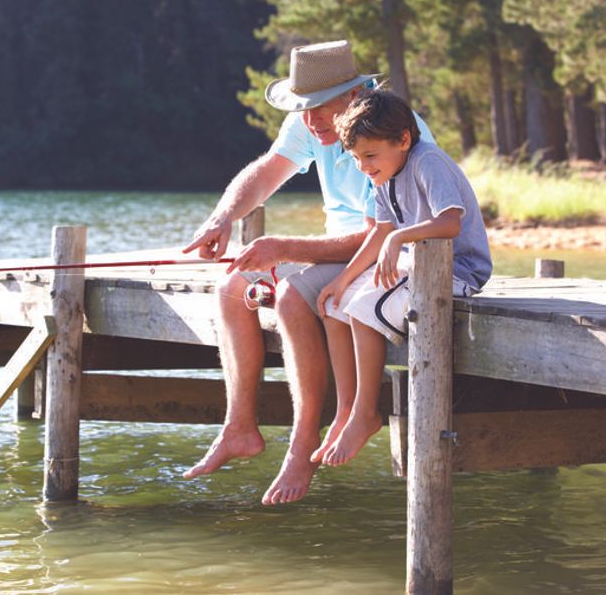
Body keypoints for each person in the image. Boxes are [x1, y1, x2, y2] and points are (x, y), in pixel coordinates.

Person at [182, 40, 434, 505]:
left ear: (353, 96)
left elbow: (381, 234)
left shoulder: (388, 131)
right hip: (340, 252)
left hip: (389, 258)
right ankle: (239, 428)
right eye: (303, 107)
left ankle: (302, 446)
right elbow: (265, 172)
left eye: (319, 106)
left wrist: (284, 248)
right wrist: (223, 217)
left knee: (292, 297)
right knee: (231, 289)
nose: (310, 119)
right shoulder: (310, 122)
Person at [314, 90, 492, 466]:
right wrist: (343, 279)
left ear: (404, 140)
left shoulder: (428, 161)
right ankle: (348, 408)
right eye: (356, 158)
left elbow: (450, 222)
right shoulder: (384, 174)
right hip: (418, 267)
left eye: (370, 155)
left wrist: (399, 238)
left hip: (457, 271)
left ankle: (366, 413)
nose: (363, 166)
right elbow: (381, 230)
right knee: (334, 305)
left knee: (363, 309)